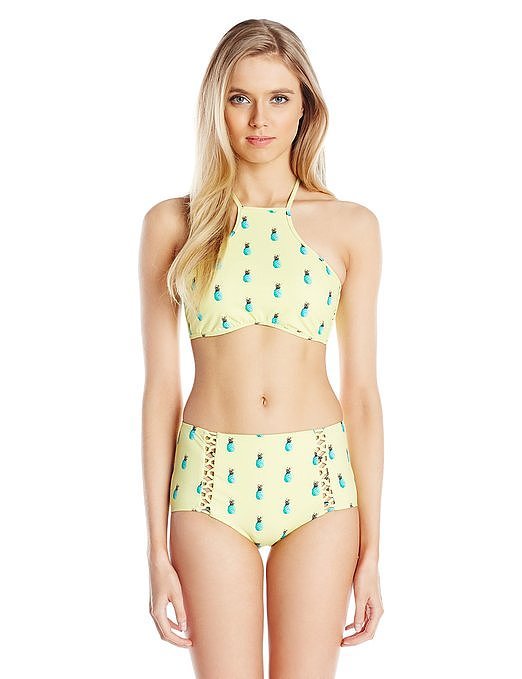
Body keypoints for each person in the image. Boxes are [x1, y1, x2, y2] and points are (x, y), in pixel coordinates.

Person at [139, 18, 384, 679]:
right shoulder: (174, 224)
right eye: (239, 97)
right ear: (215, 105)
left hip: (319, 483)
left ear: (305, 107)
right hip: (209, 482)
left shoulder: (350, 227)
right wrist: (155, 551)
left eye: (279, 98)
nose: (259, 119)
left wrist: (372, 551)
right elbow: (160, 390)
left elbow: (362, 394)